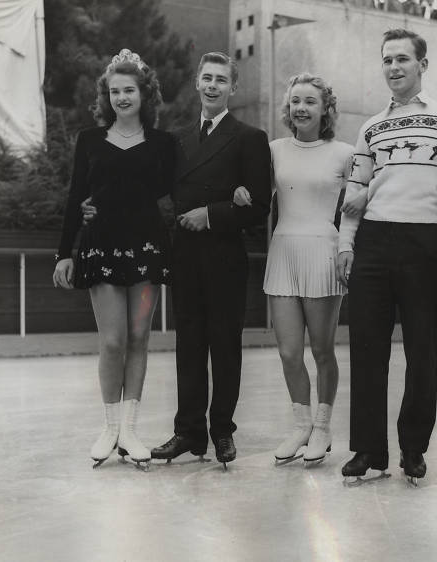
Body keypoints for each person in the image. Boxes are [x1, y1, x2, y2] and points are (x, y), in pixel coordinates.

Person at [336, 28, 437, 485]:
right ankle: (368, 450)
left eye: (402, 59)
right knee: (367, 349)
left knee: (422, 350)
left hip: (424, 243)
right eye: (387, 60)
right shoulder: (370, 127)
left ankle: (413, 448)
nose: (393, 67)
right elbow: (355, 192)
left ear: (422, 64)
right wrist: (346, 243)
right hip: (374, 241)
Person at [53, 49, 178, 470]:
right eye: (114, 91)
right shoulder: (89, 139)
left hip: (147, 249)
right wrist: (62, 254)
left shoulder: (164, 144)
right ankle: (108, 426)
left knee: (140, 338)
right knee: (112, 340)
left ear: (145, 93)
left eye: (129, 90)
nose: (122, 97)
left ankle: (130, 429)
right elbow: (75, 197)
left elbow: (179, 192)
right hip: (100, 246)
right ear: (106, 97)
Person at [150, 52, 271, 469]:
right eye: (207, 78)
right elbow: (156, 189)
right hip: (185, 253)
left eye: (222, 79)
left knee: (224, 345)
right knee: (188, 345)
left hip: (224, 255)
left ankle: (221, 430)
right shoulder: (178, 138)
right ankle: (188, 432)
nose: (213, 85)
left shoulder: (249, 137)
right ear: (197, 83)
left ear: (233, 88)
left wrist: (214, 213)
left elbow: (259, 208)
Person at [233, 73, 354, 466]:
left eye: (310, 102)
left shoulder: (345, 153)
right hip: (282, 253)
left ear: (325, 109)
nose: (301, 108)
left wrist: (348, 248)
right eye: (295, 102)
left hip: (324, 253)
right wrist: (239, 192)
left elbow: (360, 204)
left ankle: (322, 427)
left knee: (321, 350)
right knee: (288, 351)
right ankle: (300, 424)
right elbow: (253, 192)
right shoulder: (273, 150)